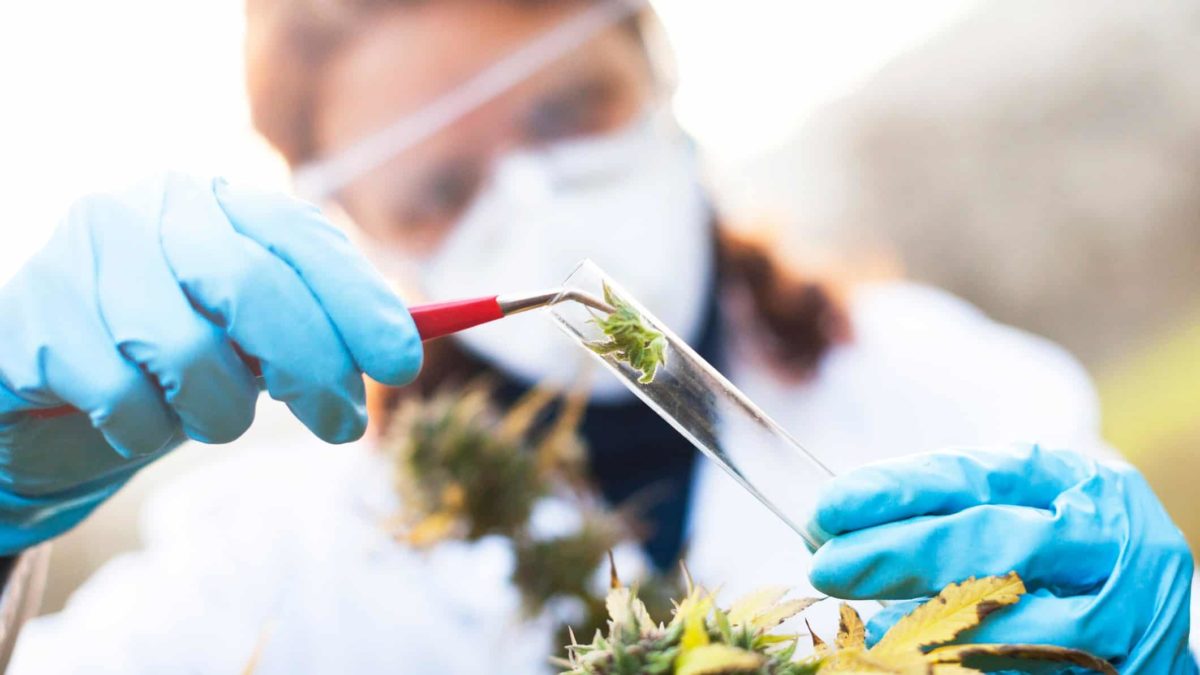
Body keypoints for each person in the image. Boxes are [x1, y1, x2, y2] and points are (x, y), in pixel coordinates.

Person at [1, 0, 1193, 671]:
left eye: (572, 112)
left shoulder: (945, 384)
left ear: (657, 66)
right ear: (349, 221)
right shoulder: (278, 560)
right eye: (437, 188)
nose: (533, 201)